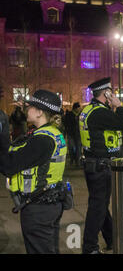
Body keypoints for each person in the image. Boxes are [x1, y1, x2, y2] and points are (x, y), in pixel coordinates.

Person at [0, 90, 67, 253]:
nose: (26, 110)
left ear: (39, 112)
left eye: (29, 107)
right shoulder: (51, 133)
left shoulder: (42, 140)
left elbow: (8, 165)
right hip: (49, 203)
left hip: (39, 208)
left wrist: (2, 135)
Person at [79, 77, 123, 254]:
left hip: (93, 164)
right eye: (111, 92)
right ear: (107, 93)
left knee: (100, 205)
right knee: (97, 207)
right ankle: (90, 247)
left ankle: (110, 238)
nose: (114, 95)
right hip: (101, 167)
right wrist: (120, 106)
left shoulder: (89, 110)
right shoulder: (100, 112)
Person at [64, 102, 82, 167]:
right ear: (75, 108)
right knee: (71, 147)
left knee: (78, 148)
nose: (79, 109)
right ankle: (72, 159)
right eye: (78, 107)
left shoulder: (80, 115)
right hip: (70, 134)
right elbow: (66, 124)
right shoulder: (69, 115)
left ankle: (77, 161)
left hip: (78, 134)